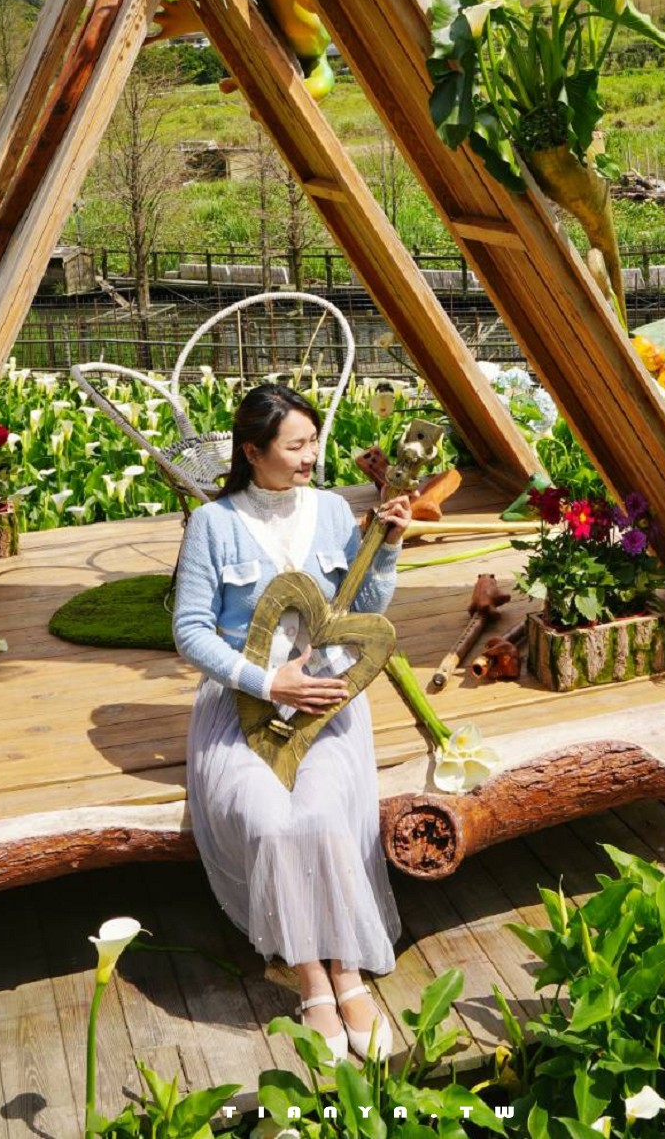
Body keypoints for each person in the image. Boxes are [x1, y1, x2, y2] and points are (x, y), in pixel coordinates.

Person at [172, 382, 412, 1063]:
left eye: (314, 441)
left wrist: (385, 546)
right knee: (273, 821)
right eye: (296, 445)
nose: (311, 456)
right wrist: (266, 678)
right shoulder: (213, 525)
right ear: (253, 451)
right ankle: (312, 976)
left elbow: (361, 602)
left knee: (324, 815)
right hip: (241, 710)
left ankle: (349, 970)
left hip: (329, 706)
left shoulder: (335, 511)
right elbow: (190, 632)